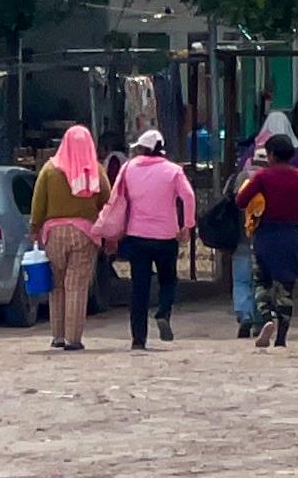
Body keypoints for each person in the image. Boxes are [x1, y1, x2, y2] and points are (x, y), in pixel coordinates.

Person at [94, 129, 194, 351]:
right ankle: (163, 312)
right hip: (166, 236)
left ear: (142, 148)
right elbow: (188, 196)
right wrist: (187, 225)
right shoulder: (173, 170)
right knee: (168, 279)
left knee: (139, 287)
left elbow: (116, 197)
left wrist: (112, 230)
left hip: (137, 235)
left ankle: (138, 339)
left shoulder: (128, 168)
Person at [234, 132, 298, 349]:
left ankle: (267, 318)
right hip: (292, 237)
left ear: (271, 155)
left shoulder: (262, 177)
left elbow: (241, 200)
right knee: (286, 289)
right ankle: (281, 337)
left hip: (266, 237)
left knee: (262, 283)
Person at [30, 124, 106, 351]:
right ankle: (74, 339)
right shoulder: (95, 170)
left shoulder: (49, 169)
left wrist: (34, 228)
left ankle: (58, 336)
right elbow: (107, 200)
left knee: (56, 285)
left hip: (54, 233)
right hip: (85, 234)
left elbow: (38, 203)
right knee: (76, 286)